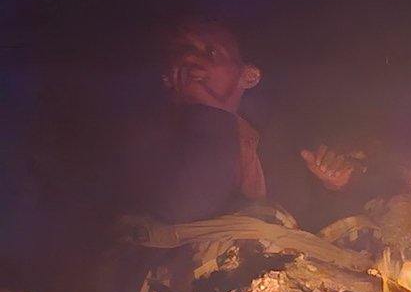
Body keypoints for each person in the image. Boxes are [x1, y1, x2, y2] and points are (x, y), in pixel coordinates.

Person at [141, 18, 363, 226]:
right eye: (183, 51)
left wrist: (335, 183)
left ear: (248, 75)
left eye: (210, 52)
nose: (189, 59)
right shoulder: (151, 136)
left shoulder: (280, 137)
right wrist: (208, 114)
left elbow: (322, 224)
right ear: (168, 77)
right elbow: (183, 209)